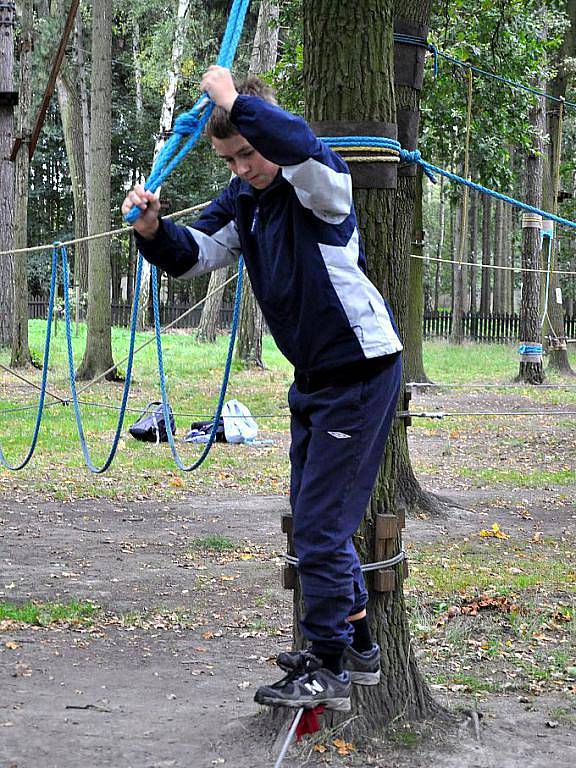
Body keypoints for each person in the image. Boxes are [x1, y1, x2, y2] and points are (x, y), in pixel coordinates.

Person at [122, 65, 403, 712]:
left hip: (359, 371)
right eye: (230, 159)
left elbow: (300, 144)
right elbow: (196, 256)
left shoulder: (319, 185)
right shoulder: (244, 199)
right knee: (312, 513)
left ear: (264, 132)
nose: (243, 167)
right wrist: (152, 230)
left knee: (319, 527)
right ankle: (356, 646)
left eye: (249, 152)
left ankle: (329, 664)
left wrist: (235, 104)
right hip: (316, 379)